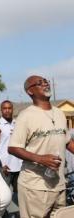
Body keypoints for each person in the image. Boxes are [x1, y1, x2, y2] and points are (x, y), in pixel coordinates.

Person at [8, 75, 74, 218]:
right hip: (35, 187)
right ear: (30, 91)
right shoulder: (25, 116)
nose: (45, 84)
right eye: (40, 83)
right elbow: (13, 148)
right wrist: (40, 159)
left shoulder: (59, 113)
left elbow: (67, 142)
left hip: (59, 184)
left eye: (46, 81)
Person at [0, 100, 22, 193]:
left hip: (19, 166)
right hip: (5, 167)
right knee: (3, 195)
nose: (7, 110)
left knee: (20, 195)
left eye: (9, 108)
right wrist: (0, 164)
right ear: (1, 110)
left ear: (12, 109)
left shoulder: (17, 124)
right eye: (5, 108)